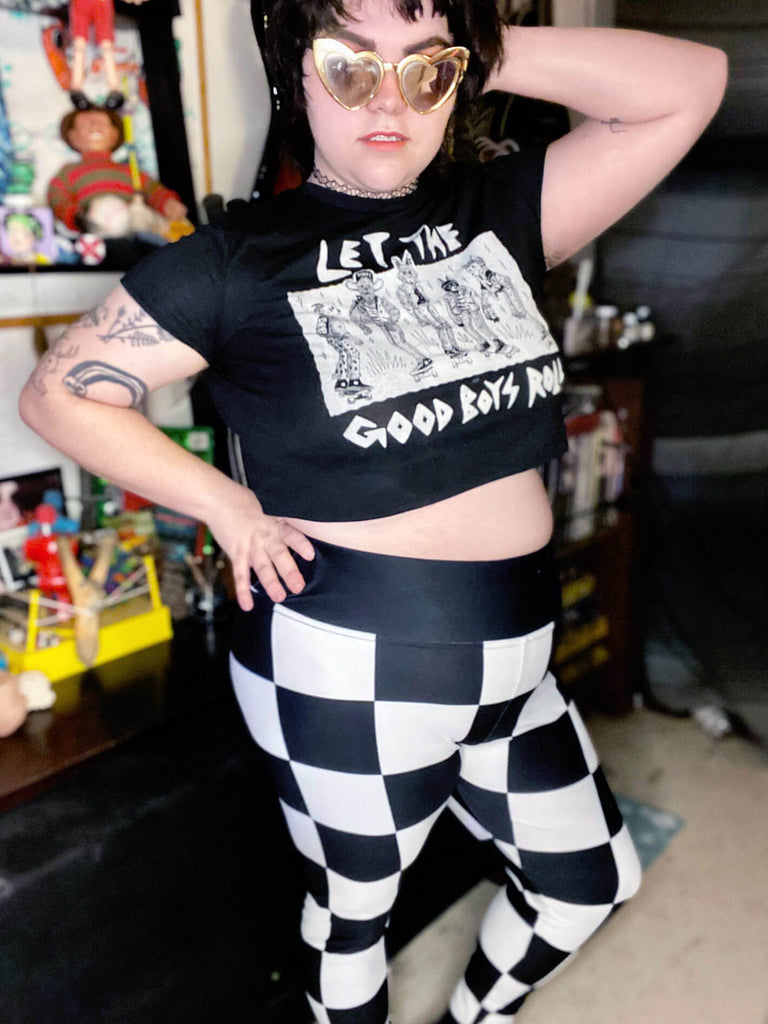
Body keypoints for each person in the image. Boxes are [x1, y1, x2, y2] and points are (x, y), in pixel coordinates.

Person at [19, 3, 727, 1021]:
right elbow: (59, 394)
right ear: (296, 76)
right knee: (357, 917)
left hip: (515, 654)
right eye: (350, 68)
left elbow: (692, 83)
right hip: (347, 657)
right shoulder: (240, 256)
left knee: (587, 881)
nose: (387, 101)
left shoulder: (500, 210)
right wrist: (226, 505)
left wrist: (479, 45)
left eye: (424, 72)